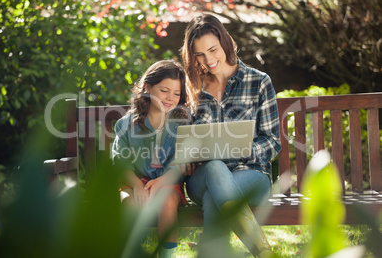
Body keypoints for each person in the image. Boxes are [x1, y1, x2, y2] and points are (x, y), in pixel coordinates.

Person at [180, 14, 281, 257]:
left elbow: (273, 141)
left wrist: (243, 148)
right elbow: (181, 135)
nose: (209, 59)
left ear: (225, 42)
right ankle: (263, 251)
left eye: (213, 50)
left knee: (215, 199)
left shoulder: (258, 81)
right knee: (215, 167)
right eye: (200, 55)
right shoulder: (192, 88)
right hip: (202, 178)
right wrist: (186, 154)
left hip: (252, 174)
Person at [112, 60, 191, 258]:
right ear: (147, 88)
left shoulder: (182, 124)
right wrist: (137, 186)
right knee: (127, 203)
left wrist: (161, 182)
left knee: (166, 201)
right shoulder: (126, 124)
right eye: (164, 90)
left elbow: (181, 162)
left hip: (168, 182)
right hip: (134, 181)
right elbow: (120, 162)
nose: (170, 98)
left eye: (176, 93)